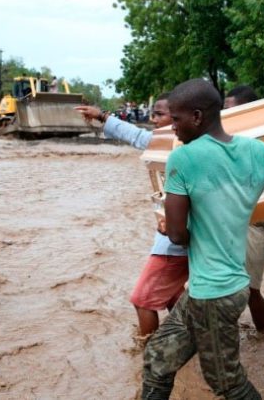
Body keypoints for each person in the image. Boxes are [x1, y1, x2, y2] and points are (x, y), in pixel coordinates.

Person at [142, 78, 264, 400]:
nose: (172, 127)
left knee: (227, 383)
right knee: (157, 359)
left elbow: (176, 234)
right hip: (228, 286)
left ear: (198, 117)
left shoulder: (183, 159)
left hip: (212, 293)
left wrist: (174, 228)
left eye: (176, 119)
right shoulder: (257, 150)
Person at [77, 94, 188, 344]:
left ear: (178, 117)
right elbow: (137, 136)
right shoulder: (171, 144)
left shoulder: (182, 148)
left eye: (159, 114)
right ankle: (191, 341)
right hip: (178, 239)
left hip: (173, 243)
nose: (153, 119)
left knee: (142, 300)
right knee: (172, 296)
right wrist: (102, 116)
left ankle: (149, 354)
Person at [224, 85, 264, 337]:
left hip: (260, 223)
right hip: (238, 220)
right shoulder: (232, 141)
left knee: (249, 287)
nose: (224, 115)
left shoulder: (261, 143)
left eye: (229, 109)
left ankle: (262, 332)